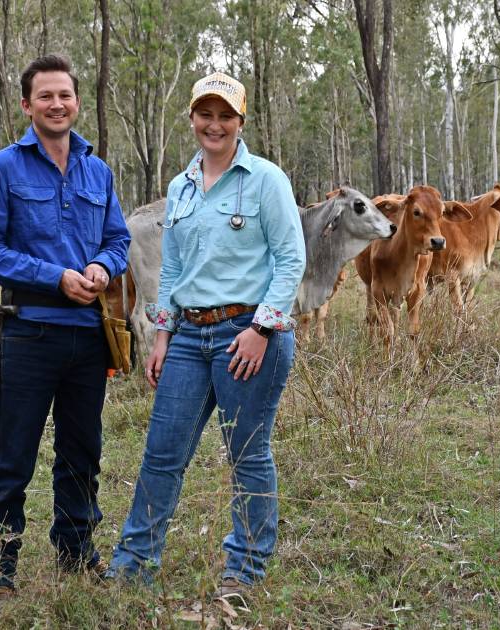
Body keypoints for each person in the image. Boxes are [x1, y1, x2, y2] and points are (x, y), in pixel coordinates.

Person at [107, 72, 305, 603]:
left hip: (248, 333)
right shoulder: (182, 186)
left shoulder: (265, 180)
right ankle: (132, 565)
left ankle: (245, 567)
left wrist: (263, 329)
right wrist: (162, 337)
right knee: (162, 451)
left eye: (225, 115)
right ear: (193, 118)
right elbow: (172, 269)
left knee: (247, 451)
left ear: (241, 122)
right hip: (190, 337)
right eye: (205, 114)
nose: (214, 125)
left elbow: (291, 259)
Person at [0, 54, 130, 612]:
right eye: (45, 97)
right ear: (26, 105)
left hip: (89, 339)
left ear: (76, 101)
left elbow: (118, 239)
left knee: (82, 452)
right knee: (13, 455)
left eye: (65, 95)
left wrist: (102, 268)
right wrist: (54, 277)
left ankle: (77, 553)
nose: (57, 104)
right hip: (29, 333)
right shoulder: (2, 169)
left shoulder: (97, 170)